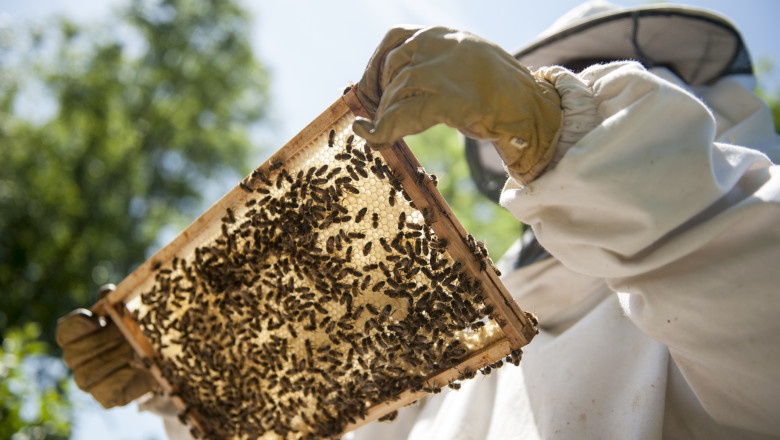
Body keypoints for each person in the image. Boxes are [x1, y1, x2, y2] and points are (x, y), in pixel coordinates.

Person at [57, 2, 780, 438]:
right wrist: (182, 385)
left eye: (599, 82)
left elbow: (749, 293)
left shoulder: (731, 273)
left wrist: (545, 118)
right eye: (555, 82)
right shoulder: (452, 363)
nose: (574, 90)